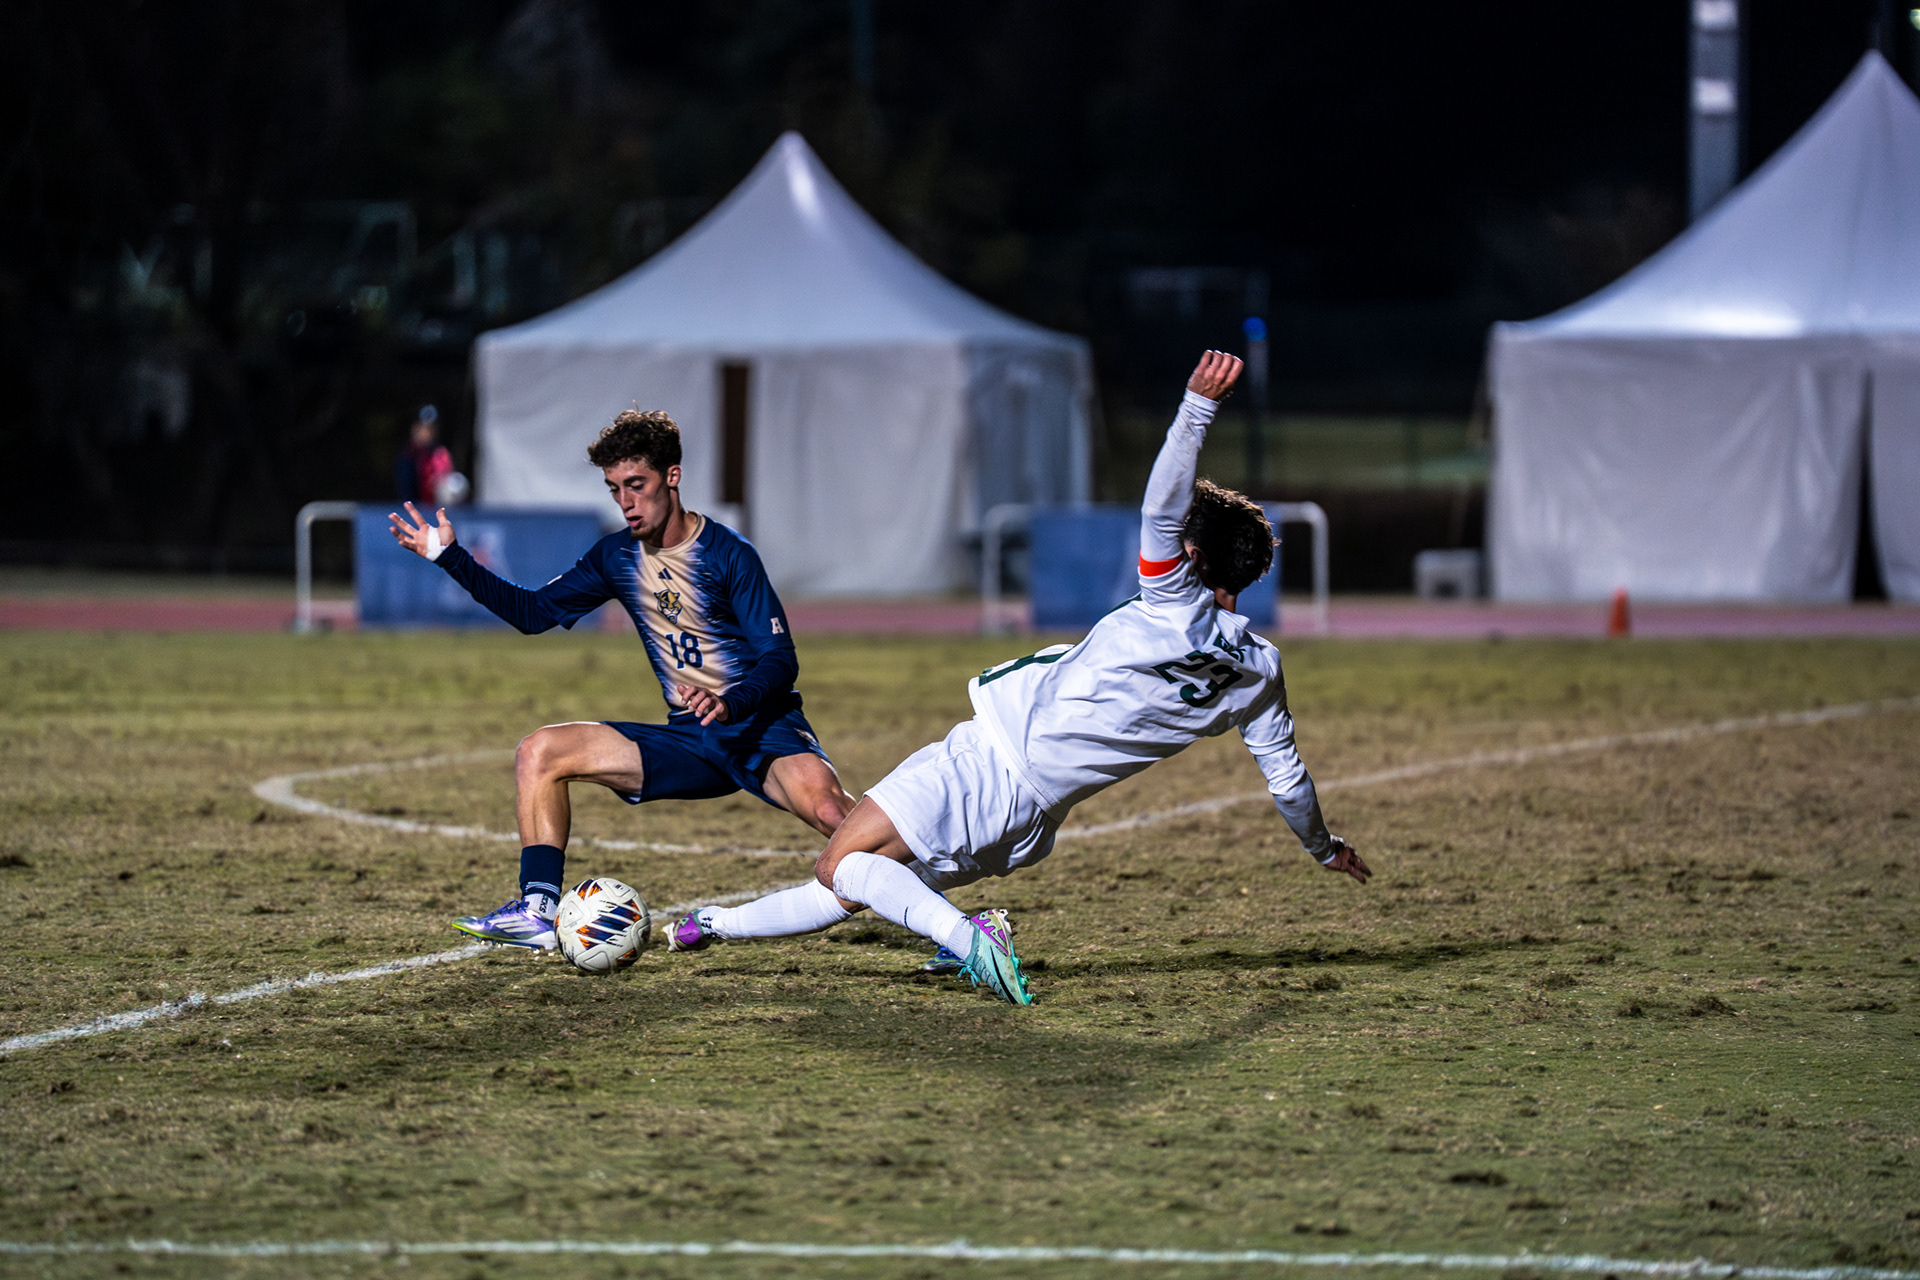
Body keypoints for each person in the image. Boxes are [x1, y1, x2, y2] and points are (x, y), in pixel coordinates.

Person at [663, 351, 1370, 1004]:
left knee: (840, 867)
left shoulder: (1171, 602)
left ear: (1194, 558)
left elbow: (1159, 505)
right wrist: (1323, 847)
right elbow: (1288, 783)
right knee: (860, 884)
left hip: (989, 764)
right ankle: (712, 925)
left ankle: (974, 940)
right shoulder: (1260, 671)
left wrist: (1196, 407)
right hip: (1032, 819)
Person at [387, 408, 856, 950]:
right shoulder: (616, 556)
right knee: (540, 752)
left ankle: (940, 907)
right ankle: (539, 910)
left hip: (759, 727)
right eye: (614, 489)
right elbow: (532, 614)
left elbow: (779, 659)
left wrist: (731, 702)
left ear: (672, 476)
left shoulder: (729, 554)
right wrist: (449, 556)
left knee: (838, 819)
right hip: (690, 738)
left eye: (637, 485)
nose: (626, 502)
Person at [395, 405, 456, 506]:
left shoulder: (441, 454)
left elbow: (445, 482)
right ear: (415, 428)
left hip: (434, 508)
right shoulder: (407, 455)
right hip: (411, 508)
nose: (427, 432)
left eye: (431, 428)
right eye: (424, 428)